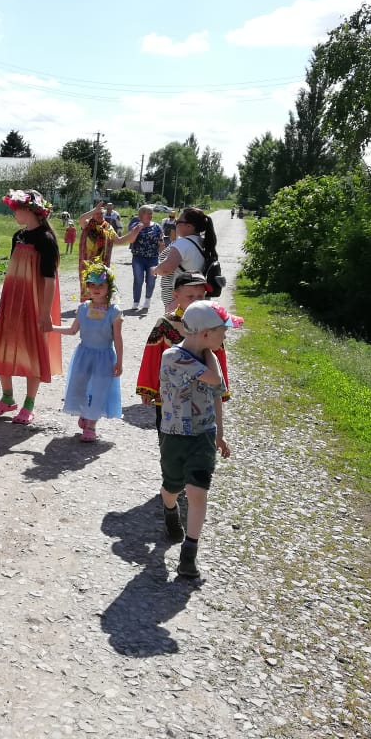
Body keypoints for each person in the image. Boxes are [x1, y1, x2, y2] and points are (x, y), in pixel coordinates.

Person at [158, 300, 235, 579]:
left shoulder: (207, 355)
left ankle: (189, 554)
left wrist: (220, 435)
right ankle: (168, 508)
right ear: (204, 334)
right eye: (221, 333)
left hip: (203, 434)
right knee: (173, 487)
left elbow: (217, 397)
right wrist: (211, 357)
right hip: (174, 435)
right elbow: (214, 380)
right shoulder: (173, 357)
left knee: (198, 492)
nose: (224, 338)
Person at [0, 189, 62, 426]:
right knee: (3, 345)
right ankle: (7, 398)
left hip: (33, 303)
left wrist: (45, 312)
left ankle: (28, 404)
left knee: (32, 350)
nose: (13, 211)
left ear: (31, 210)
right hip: (12, 300)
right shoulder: (18, 236)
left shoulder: (45, 239)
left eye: (17, 207)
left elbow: (50, 280)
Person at [135, 272, 232, 430]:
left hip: (202, 391)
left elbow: (218, 353)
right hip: (170, 396)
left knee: (201, 430)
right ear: (176, 295)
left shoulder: (210, 323)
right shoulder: (165, 323)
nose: (196, 301)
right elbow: (152, 355)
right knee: (167, 434)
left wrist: (222, 388)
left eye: (200, 297)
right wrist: (148, 387)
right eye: (190, 296)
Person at [57, 262, 123, 442]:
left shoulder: (114, 312)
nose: (96, 289)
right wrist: (51, 328)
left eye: (101, 285)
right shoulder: (83, 308)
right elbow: (72, 330)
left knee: (100, 389)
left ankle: (92, 425)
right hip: (84, 356)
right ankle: (85, 413)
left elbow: (118, 339)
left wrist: (120, 362)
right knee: (79, 386)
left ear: (109, 287)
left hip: (104, 358)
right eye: (92, 285)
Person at [153, 207, 218, 312]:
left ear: (189, 226)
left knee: (177, 328)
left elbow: (166, 269)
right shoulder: (201, 242)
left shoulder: (183, 243)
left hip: (181, 301)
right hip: (194, 297)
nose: (175, 223)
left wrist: (155, 269)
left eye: (178, 221)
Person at [113, 204, 165, 311]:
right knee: (138, 279)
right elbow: (131, 241)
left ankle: (147, 300)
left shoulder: (157, 227)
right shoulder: (135, 225)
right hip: (138, 258)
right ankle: (136, 302)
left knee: (151, 280)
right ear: (141, 215)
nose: (150, 215)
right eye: (148, 213)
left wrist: (162, 246)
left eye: (151, 213)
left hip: (153, 258)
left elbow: (161, 243)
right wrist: (137, 230)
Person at [76, 201, 117, 301]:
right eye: (97, 213)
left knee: (100, 284)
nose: (99, 215)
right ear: (92, 215)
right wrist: (95, 210)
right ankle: (86, 304)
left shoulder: (108, 227)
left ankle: (99, 302)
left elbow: (119, 240)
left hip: (102, 262)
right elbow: (81, 219)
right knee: (88, 283)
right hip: (87, 262)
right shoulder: (87, 225)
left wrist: (134, 233)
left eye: (101, 213)